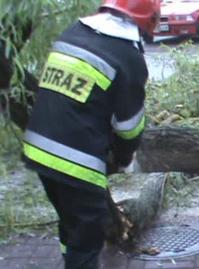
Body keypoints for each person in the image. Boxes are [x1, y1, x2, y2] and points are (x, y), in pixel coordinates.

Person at [21, 0, 160, 268]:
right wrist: (123, 158)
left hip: (38, 147)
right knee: (87, 237)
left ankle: (69, 258)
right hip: (75, 159)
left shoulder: (74, 31)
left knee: (70, 222)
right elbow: (129, 126)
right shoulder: (128, 57)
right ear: (148, 20)